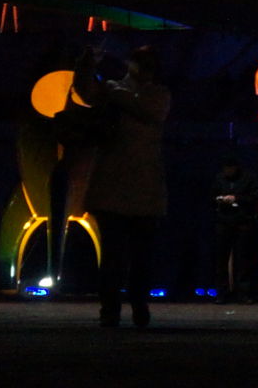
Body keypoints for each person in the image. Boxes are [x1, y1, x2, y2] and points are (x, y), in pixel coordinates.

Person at [77, 45, 171, 328]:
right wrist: (87, 66)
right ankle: (124, 309)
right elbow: (85, 92)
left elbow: (147, 109)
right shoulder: (152, 94)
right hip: (132, 187)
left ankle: (123, 309)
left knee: (128, 256)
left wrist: (109, 88)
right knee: (121, 256)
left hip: (123, 187)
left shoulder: (134, 93)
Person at [210, 156, 258, 303]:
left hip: (242, 223)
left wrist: (237, 198)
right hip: (223, 222)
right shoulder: (219, 178)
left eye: (230, 168)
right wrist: (220, 200)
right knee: (221, 260)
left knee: (243, 260)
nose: (228, 171)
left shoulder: (248, 179)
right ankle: (222, 293)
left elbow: (255, 197)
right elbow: (211, 196)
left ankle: (243, 293)